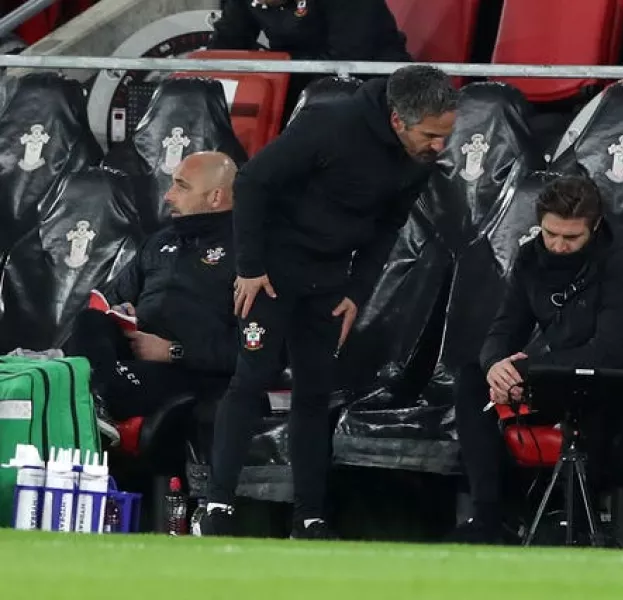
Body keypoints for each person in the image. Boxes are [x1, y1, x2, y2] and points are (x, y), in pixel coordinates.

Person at [195, 64, 459, 539]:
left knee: (316, 395)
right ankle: (216, 506)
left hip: (329, 285)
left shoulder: (417, 161)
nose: (439, 146)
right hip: (271, 278)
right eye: (431, 135)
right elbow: (253, 182)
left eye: (445, 136)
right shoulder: (329, 125)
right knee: (250, 380)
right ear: (399, 120)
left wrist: (357, 292)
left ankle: (310, 518)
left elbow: (387, 229)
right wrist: (250, 267)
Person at [451, 176, 623, 545]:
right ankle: (488, 517)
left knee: (588, 395)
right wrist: (497, 365)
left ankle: (595, 532)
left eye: (571, 238)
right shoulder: (530, 258)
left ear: (594, 227)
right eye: (550, 234)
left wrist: (526, 372)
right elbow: (503, 329)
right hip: (562, 374)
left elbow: (608, 352)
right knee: (471, 379)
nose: (558, 246)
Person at [66, 152, 239, 425]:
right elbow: (109, 302)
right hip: (131, 358)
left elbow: (255, 348)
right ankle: (94, 394)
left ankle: (94, 399)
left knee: (108, 384)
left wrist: (173, 351)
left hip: (190, 371)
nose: (168, 195)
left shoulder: (248, 255)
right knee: (90, 320)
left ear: (215, 197)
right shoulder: (158, 243)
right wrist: (122, 315)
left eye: (181, 186)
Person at [209, 0, 412, 117]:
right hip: (294, 79)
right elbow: (226, 44)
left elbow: (350, 57)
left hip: (368, 82)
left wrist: (276, 72)